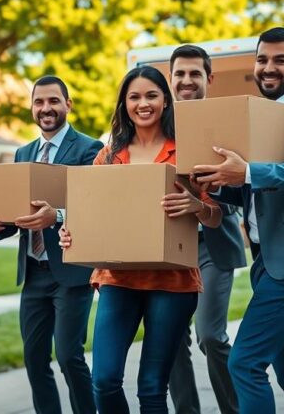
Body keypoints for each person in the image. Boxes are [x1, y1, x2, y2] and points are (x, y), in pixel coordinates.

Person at [60, 65, 224, 414]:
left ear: (165, 100)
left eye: (151, 95)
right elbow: (89, 213)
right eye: (134, 97)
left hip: (173, 282)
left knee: (151, 388)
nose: (143, 103)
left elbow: (216, 216)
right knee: (104, 380)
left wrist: (197, 206)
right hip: (118, 278)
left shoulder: (186, 151)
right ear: (124, 104)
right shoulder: (109, 156)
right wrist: (71, 231)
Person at [194, 27, 284, 414]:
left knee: (245, 363)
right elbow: (249, 189)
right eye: (262, 59)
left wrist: (246, 172)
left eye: (280, 60)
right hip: (270, 260)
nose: (269, 67)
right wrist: (215, 182)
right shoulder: (258, 113)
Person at [0, 76, 103, 414]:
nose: (46, 108)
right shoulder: (23, 153)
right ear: (32, 107)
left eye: (53, 101)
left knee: (69, 357)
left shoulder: (89, 150)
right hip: (33, 274)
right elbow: (18, 216)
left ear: (68, 104)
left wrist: (56, 216)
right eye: (39, 102)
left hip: (71, 272)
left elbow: (96, 208)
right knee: (34, 359)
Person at [166, 45, 246, 414]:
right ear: (170, 78)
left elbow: (240, 187)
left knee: (211, 335)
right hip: (169, 248)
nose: (187, 80)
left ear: (208, 78)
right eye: (179, 74)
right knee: (170, 340)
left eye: (194, 73)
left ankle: (236, 410)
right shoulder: (158, 124)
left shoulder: (225, 123)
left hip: (212, 244)